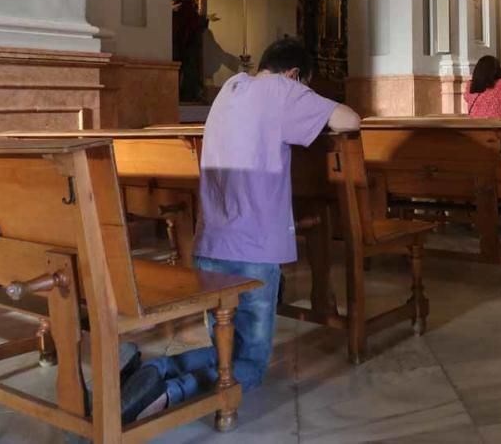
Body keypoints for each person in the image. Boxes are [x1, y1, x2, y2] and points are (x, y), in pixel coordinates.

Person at [120, 37, 361, 423]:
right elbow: (350, 120)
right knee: (249, 362)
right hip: (253, 250)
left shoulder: (228, 90)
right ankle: (168, 392)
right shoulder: (283, 89)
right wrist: (304, 96)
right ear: (296, 74)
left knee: (225, 343)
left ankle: (157, 369)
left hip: (211, 243)